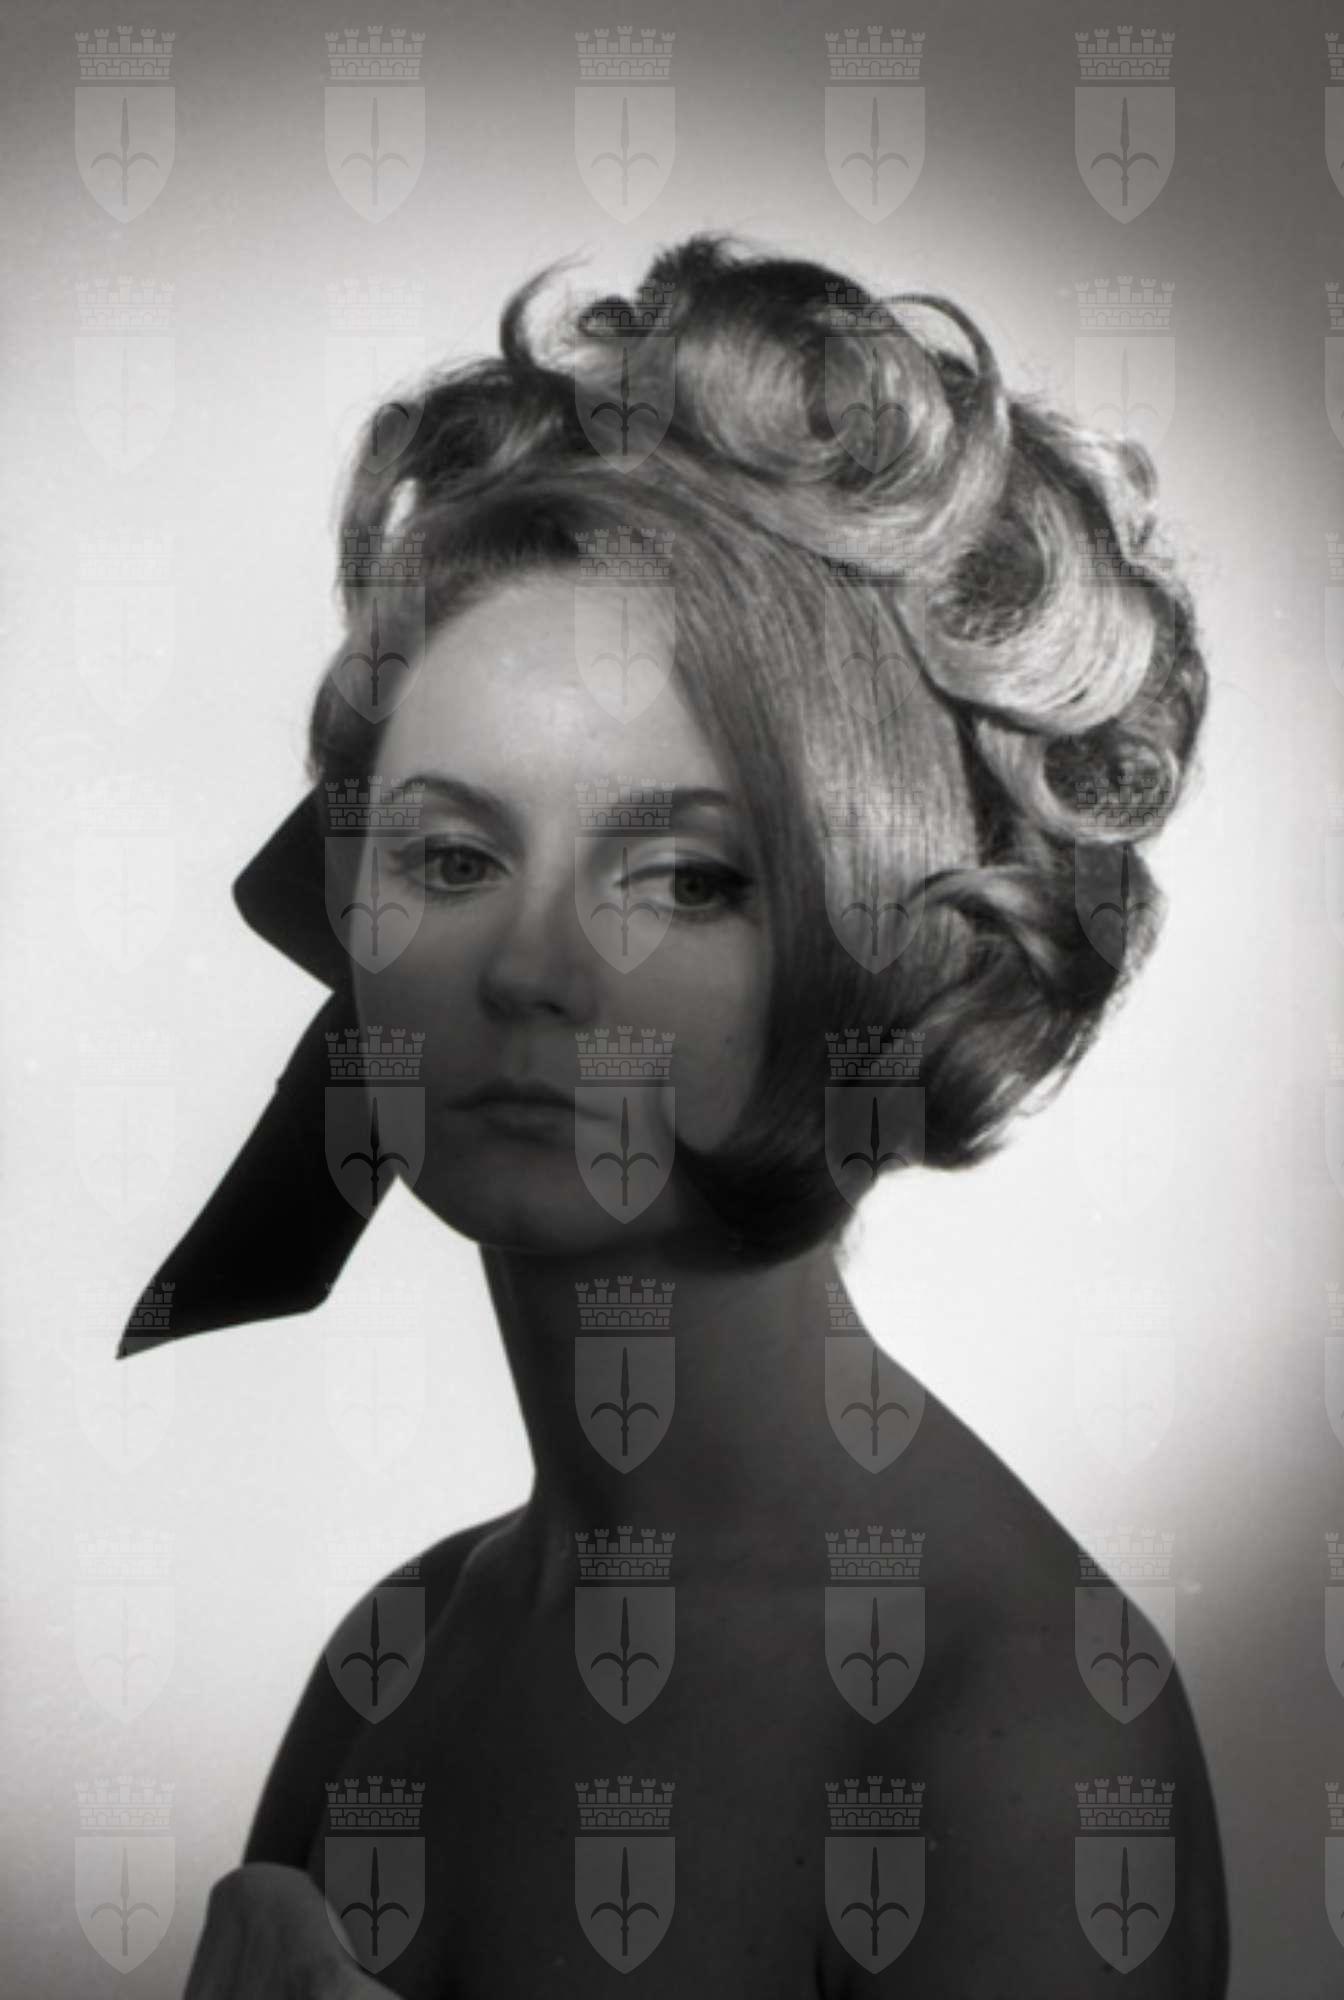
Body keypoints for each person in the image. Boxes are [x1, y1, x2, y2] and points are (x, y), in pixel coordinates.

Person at [167, 235, 1228, 1995]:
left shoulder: (1015, 1735)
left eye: (684, 877)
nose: (534, 966)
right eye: (453, 856)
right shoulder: (394, 1663)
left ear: (879, 940)